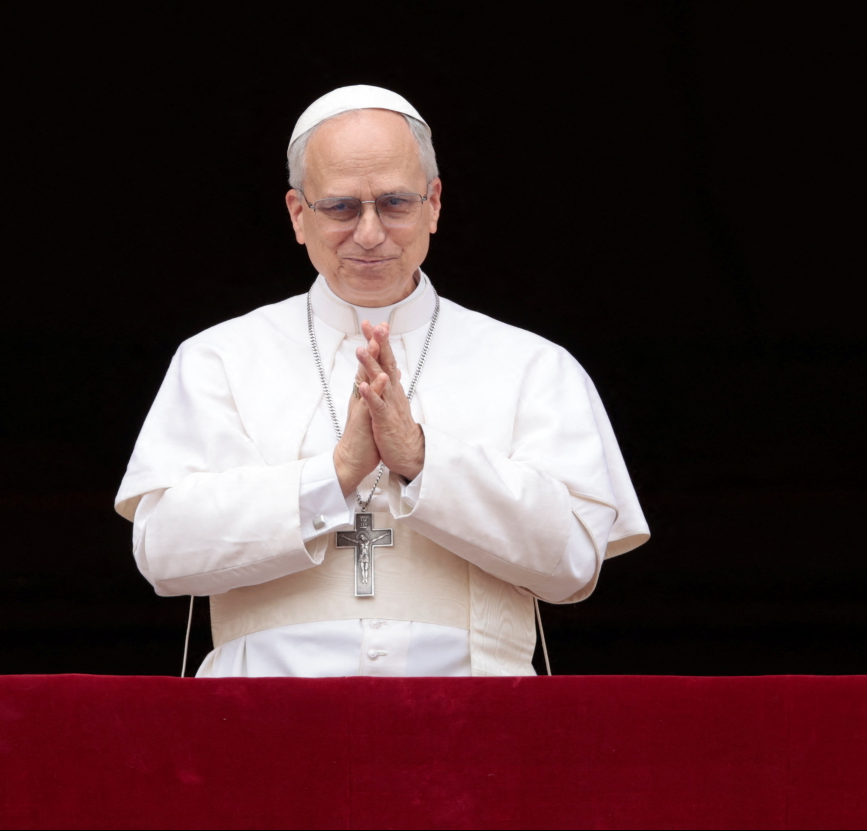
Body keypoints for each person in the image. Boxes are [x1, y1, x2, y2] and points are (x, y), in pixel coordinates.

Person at [116, 85, 646, 676]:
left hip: (474, 714)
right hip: (262, 711)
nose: (369, 234)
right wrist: (335, 474)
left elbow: (575, 563)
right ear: (298, 214)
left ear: (434, 204)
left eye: (395, 203)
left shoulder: (533, 365)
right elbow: (164, 553)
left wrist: (421, 460)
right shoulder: (217, 359)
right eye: (341, 208)